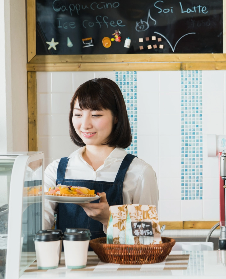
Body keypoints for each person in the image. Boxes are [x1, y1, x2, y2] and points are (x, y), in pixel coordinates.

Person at [43, 78, 159, 239]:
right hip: (67, 263)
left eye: (96, 115)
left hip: (119, 264)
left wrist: (108, 219)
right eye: (78, 114)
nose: (84, 125)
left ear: (116, 117)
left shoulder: (139, 172)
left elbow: (147, 240)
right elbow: (41, 228)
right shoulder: (55, 170)